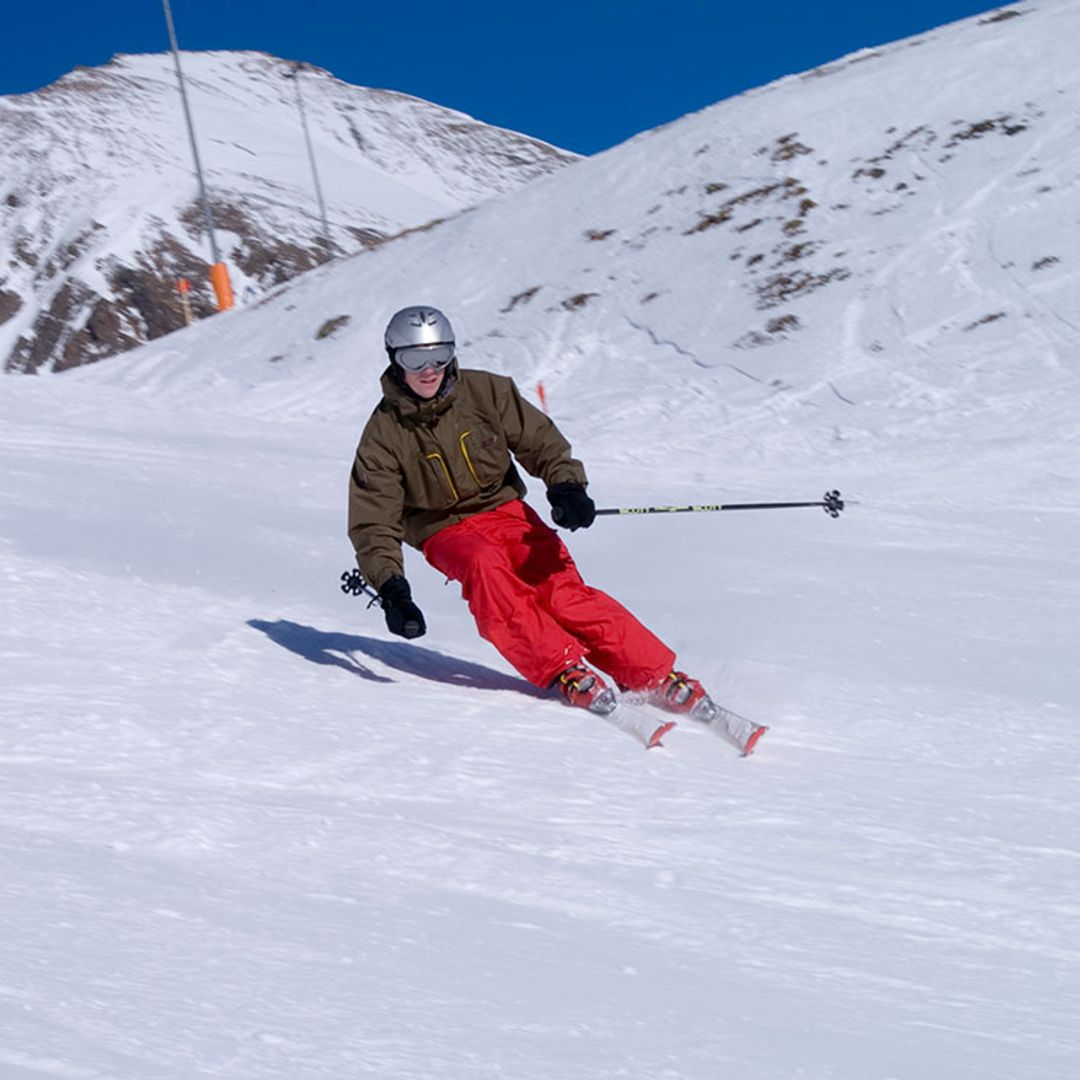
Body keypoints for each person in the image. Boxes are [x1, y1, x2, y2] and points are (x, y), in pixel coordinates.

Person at [347, 305, 717, 720]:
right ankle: (562, 667)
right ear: (394, 360)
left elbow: (542, 443)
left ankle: (651, 673)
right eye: (414, 359)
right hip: (443, 528)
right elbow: (373, 520)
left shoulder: (488, 392)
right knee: (487, 568)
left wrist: (567, 487)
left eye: (440, 355)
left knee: (562, 589)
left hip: (505, 510)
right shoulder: (382, 435)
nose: (429, 370)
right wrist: (393, 588)